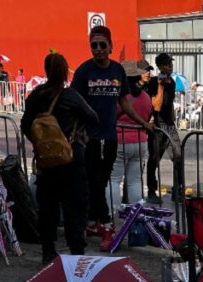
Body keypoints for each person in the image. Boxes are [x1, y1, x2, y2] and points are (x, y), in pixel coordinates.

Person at [72, 25, 154, 245]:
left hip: (110, 137)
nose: (97, 50)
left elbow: (125, 102)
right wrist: (78, 131)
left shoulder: (117, 70)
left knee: (100, 181)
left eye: (102, 45)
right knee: (97, 182)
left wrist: (143, 123)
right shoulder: (83, 71)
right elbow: (73, 103)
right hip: (90, 138)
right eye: (93, 45)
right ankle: (107, 225)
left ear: (110, 47)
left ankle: (91, 222)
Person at [21, 52, 99, 262]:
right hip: (71, 158)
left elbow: (25, 125)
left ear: (46, 71)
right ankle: (76, 252)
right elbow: (93, 117)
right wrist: (76, 132)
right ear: (65, 72)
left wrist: (42, 144)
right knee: (75, 205)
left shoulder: (36, 96)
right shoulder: (70, 96)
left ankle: (48, 251)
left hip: (46, 163)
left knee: (48, 206)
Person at [109, 61, 152, 227]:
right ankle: (137, 218)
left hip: (120, 141)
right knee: (135, 181)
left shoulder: (121, 97)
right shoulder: (146, 97)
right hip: (141, 142)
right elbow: (147, 117)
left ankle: (112, 217)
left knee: (114, 180)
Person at [145, 53, 179, 204]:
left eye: (171, 63)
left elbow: (168, 103)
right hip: (157, 125)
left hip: (170, 125)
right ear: (160, 66)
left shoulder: (171, 82)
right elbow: (151, 102)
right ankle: (152, 191)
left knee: (178, 157)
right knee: (153, 160)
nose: (170, 66)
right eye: (167, 64)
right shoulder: (153, 82)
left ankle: (178, 190)